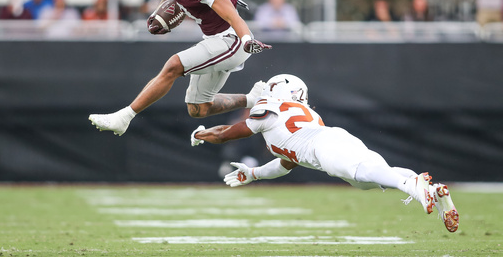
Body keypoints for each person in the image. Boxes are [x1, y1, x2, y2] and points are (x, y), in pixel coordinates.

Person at [190, 74, 460, 233]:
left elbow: (226, 132)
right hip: (333, 140)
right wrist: (253, 173)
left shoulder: (269, 111)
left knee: (363, 173)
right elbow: (286, 164)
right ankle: (429, 189)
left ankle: (413, 186)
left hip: (326, 146)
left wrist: (201, 133)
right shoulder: (300, 118)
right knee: (366, 181)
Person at [89, 0, 272, 136]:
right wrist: (159, 11)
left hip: (232, 40)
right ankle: (252, 98)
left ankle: (124, 117)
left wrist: (247, 40)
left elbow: (232, 16)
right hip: (215, 39)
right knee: (198, 108)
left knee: (173, 66)